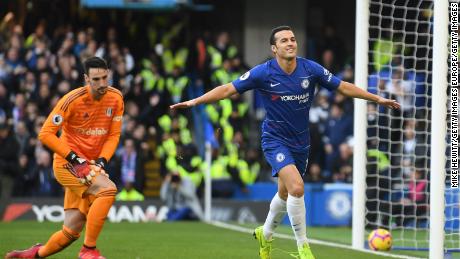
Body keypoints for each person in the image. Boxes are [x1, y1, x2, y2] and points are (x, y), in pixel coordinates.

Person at [170, 26, 400, 259]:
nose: (290, 43)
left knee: (284, 193)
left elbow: (342, 86)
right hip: (274, 139)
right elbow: (229, 88)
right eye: (284, 40)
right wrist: (194, 102)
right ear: (274, 49)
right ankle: (303, 247)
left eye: (292, 39)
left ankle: (266, 233)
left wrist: (377, 98)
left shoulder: (310, 69)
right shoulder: (263, 73)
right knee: (297, 188)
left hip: (301, 141)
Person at [5, 56, 124, 259]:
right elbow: (45, 134)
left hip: (91, 166)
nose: (102, 84)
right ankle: (89, 251)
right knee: (108, 190)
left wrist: (103, 160)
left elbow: (113, 135)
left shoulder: (116, 98)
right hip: (68, 164)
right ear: (87, 78)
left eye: (105, 77)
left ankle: (33, 255)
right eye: (96, 79)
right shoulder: (72, 100)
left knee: (71, 231)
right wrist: (76, 159)